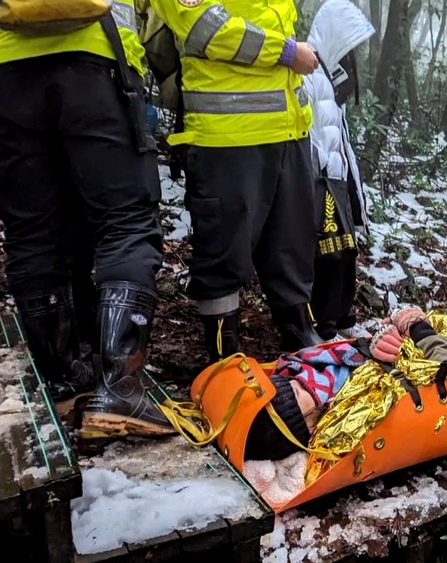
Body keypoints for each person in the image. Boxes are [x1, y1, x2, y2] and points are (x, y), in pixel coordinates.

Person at [0, 0, 175, 438]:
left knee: (32, 232)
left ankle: (66, 385)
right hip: (93, 60)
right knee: (125, 221)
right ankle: (121, 388)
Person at [150, 0, 323, 363]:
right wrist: (289, 52)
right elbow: (205, 28)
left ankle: (301, 340)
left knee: (291, 243)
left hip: (289, 129)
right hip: (226, 137)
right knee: (223, 250)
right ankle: (223, 358)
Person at [304, 0, 375, 341]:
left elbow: (340, 137)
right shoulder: (311, 74)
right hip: (322, 180)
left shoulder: (332, 75)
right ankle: (323, 326)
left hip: (338, 178)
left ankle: (342, 321)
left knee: (346, 252)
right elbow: (312, 133)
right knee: (329, 256)